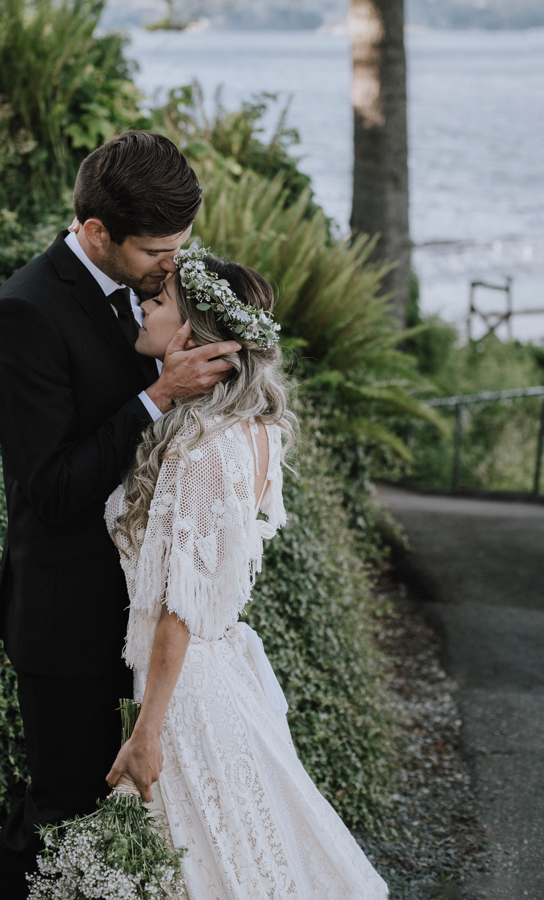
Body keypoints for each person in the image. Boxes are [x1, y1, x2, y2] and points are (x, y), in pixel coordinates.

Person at [0, 132, 241, 900]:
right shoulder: (23, 315)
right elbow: (50, 488)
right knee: (59, 812)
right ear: (95, 233)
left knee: (134, 813)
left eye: (181, 245)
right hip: (68, 614)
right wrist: (156, 396)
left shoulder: (157, 277)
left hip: (150, 612)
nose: (173, 264)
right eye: (158, 249)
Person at [104, 246, 389, 898]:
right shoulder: (252, 429)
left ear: (192, 334)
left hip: (181, 696)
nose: (145, 301)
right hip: (210, 675)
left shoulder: (202, 447)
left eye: (160, 299)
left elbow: (181, 603)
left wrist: (147, 732)